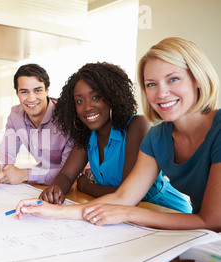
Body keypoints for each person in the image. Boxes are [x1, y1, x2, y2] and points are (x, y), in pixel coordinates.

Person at [15, 37, 221, 232]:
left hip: (179, 219)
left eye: (173, 79)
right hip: (196, 237)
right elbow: (124, 197)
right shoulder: (158, 137)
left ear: (198, 79)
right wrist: (54, 211)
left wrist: (126, 212)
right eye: (151, 84)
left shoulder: (144, 127)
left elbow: (211, 221)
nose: (161, 93)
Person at [39, 62, 191, 213]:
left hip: (164, 209)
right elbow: (66, 175)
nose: (87, 107)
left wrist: (86, 186)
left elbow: (125, 194)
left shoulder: (137, 126)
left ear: (111, 97)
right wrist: (55, 189)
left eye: (96, 97)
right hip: (122, 214)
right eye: (79, 101)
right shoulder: (87, 135)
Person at [0, 64, 74, 191]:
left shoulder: (67, 117)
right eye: (24, 92)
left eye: (37, 90)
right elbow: (7, 153)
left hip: (78, 183)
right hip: (45, 184)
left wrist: (25, 174)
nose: (31, 98)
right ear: (17, 94)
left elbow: (69, 173)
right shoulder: (16, 116)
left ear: (47, 90)